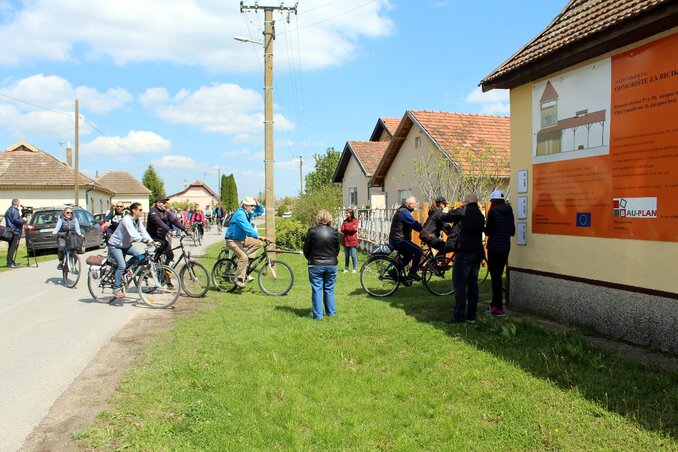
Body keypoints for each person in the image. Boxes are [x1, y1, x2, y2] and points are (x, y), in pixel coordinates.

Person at [440, 193, 486, 324]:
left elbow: (446, 217)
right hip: (477, 253)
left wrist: (444, 211)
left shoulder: (463, 210)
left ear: (466, 202)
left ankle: (459, 317)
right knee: (473, 285)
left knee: (460, 285)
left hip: (464, 252)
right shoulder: (480, 215)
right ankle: (471, 316)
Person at [107, 202, 154, 299]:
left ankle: (124, 271)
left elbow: (143, 231)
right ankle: (116, 288)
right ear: (134, 210)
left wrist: (152, 241)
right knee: (122, 265)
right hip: (115, 245)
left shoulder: (137, 220)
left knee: (140, 256)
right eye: (140, 210)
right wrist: (142, 240)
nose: (142, 212)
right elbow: (133, 233)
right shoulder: (126, 219)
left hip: (126, 245)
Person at [303, 210, 340, 320]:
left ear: (318, 218)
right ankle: (331, 314)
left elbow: (306, 249)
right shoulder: (334, 232)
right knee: (329, 289)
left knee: (317, 289)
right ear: (329, 218)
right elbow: (337, 249)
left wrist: (311, 258)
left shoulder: (312, 231)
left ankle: (318, 316)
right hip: (332, 264)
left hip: (315, 264)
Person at [485, 190, 515, 317]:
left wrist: (483, 227)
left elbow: (488, 232)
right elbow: (512, 231)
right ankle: (494, 305)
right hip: (505, 247)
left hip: (494, 248)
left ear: (494, 201)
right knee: (498, 277)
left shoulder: (493, 212)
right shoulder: (510, 211)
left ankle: (498, 308)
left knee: (495, 278)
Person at [224, 196, 266, 288]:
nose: (253, 207)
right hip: (232, 240)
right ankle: (238, 279)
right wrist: (257, 236)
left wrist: (258, 203)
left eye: (254, 206)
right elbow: (247, 227)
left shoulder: (248, 213)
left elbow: (260, 211)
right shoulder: (240, 214)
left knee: (258, 243)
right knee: (243, 256)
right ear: (245, 205)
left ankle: (246, 264)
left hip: (241, 239)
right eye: (251, 205)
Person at [388, 196, 424, 282]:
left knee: (409, 255)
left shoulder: (402, 210)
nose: (415, 206)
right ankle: (412, 273)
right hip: (399, 240)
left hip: (396, 239)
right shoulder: (404, 212)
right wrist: (424, 231)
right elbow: (414, 224)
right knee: (419, 251)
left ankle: (394, 271)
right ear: (409, 204)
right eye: (414, 204)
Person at [147, 197, 188, 264]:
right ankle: (153, 265)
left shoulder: (166, 212)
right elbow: (159, 222)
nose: (165, 204)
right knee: (164, 245)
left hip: (161, 236)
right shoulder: (153, 212)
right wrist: (169, 230)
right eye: (163, 202)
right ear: (157, 203)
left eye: (166, 203)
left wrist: (186, 230)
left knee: (170, 255)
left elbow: (175, 221)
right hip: (153, 236)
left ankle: (164, 271)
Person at [4, 198, 26, 268]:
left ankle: (11, 261)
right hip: (14, 231)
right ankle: (10, 263)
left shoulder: (8, 210)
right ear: (17, 203)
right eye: (18, 203)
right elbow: (16, 221)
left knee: (11, 247)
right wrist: (23, 220)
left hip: (10, 231)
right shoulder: (15, 211)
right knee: (12, 247)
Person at [340, 208, 359, 273]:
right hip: (346, 241)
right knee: (346, 255)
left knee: (353, 255)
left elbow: (354, 229)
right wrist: (349, 227)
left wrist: (346, 227)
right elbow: (342, 229)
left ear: (351, 213)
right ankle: (346, 268)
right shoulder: (345, 221)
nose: (346, 214)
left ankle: (354, 269)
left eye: (347, 213)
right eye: (346, 213)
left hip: (353, 241)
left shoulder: (355, 221)